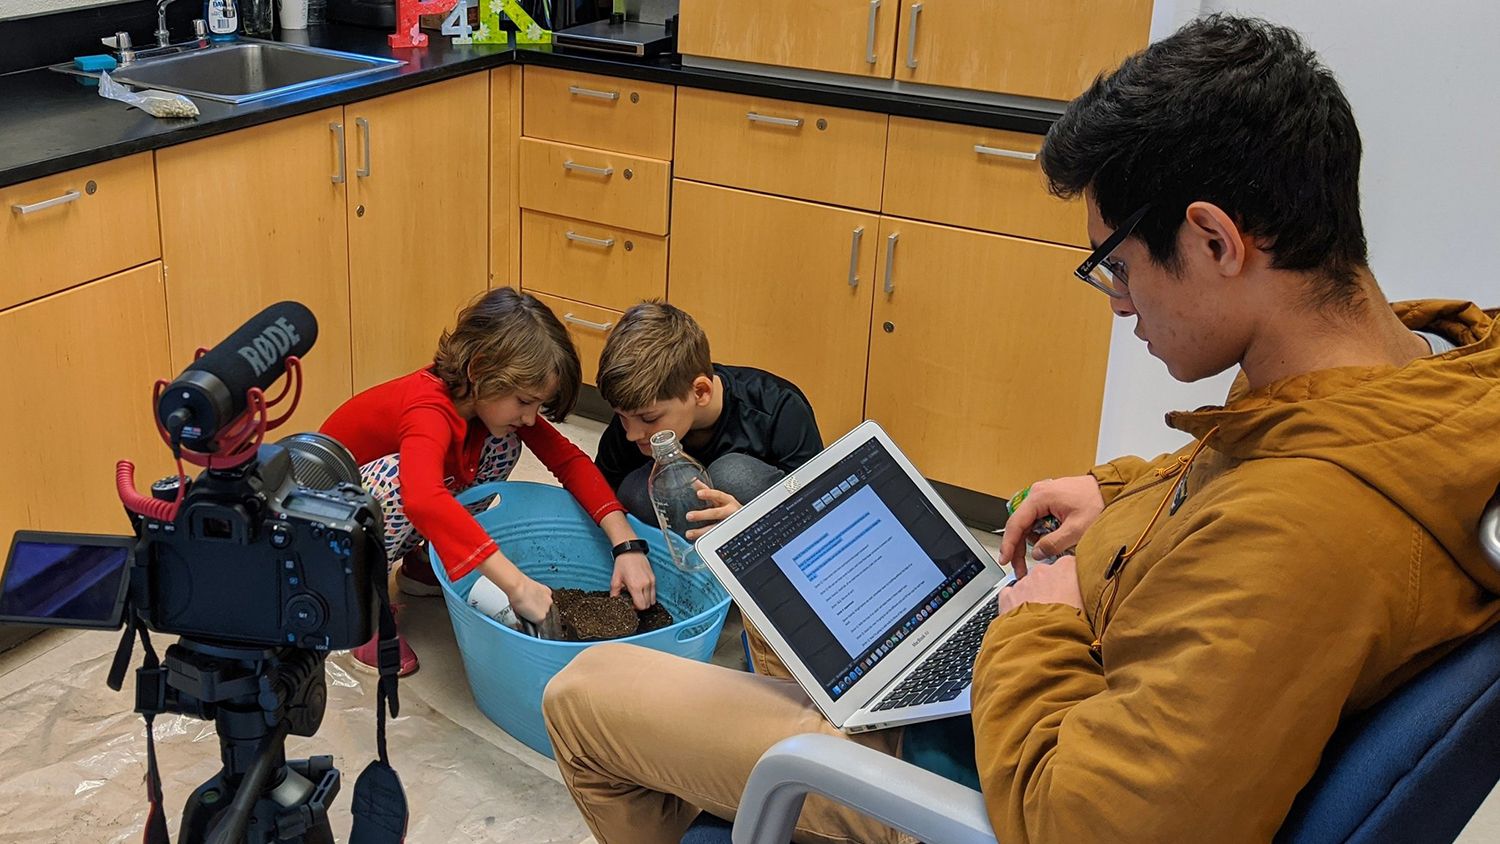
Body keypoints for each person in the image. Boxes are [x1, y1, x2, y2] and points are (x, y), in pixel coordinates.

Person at [540, 15, 1500, 844]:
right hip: (1079, 691)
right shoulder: (1426, 382)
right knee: (787, 612)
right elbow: (1260, 460)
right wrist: (1122, 496)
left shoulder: (1305, 540)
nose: (1119, 306)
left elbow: (1081, 824)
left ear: (1215, 241)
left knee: (586, 698)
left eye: (1115, 268)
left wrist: (1036, 622)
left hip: (1002, 778)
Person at [322, 287, 655, 676]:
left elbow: (568, 461)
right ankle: (359, 607)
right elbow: (423, 500)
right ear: (480, 370)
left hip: (378, 515)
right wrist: (517, 585)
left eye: (537, 406)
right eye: (524, 401)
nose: (531, 417)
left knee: (501, 444)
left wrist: (626, 545)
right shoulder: (427, 407)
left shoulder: (487, 403)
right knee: (400, 484)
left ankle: (419, 565)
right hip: (328, 532)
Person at [593, 300, 823, 539]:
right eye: (622, 416)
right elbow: (599, 492)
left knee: (734, 475)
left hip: (764, 540)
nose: (632, 434)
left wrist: (753, 522)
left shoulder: (778, 408)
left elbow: (820, 504)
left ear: (701, 392)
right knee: (637, 491)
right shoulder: (637, 413)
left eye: (649, 418)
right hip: (680, 549)